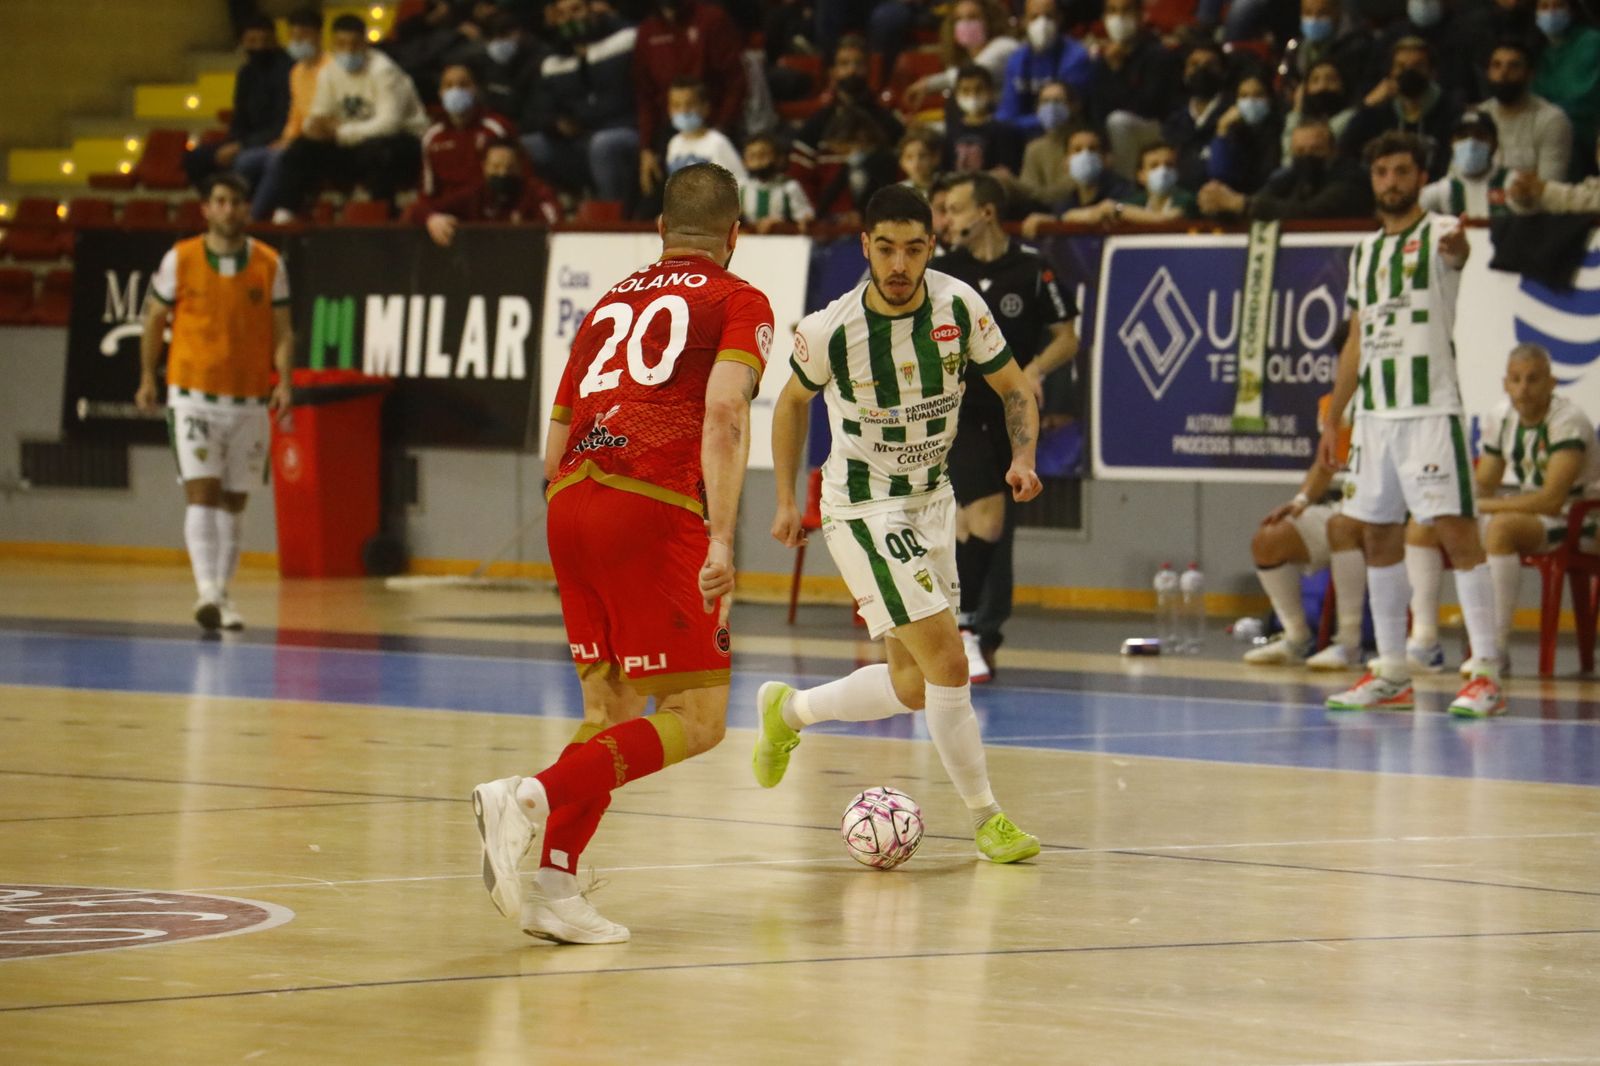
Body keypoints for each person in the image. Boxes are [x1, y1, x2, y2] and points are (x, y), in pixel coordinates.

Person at [471, 163, 774, 943]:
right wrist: (719, 539)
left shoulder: (607, 303)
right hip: (651, 505)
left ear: (660, 233)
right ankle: (528, 795)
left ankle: (553, 887)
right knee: (700, 719)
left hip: (569, 503)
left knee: (611, 712)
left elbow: (554, 446)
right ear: (735, 236)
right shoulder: (739, 300)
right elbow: (727, 413)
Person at [757, 184, 1043, 863]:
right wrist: (784, 498)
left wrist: (1024, 454)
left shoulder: (959, 308)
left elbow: (1013, 387)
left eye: (913, 249)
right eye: (885, 248)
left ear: (931, 247)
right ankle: (988, 820)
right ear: (865, 246)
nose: (898, 264)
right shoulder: (832, 328)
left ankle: (787, 712)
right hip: (861, 507)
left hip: (932, 501)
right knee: (949, 661)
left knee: (915, 686)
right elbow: (791, 404)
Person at [1319, 131, 1507, 718]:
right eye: (1382, 172)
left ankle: (1485, 673)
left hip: (1429, 411)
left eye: (1402, 171)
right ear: (1372, 180)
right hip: (1375, 417)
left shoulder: (1441, 234)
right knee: (1376, 534)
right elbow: (1356, 338)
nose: (1392, 182)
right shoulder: (1364, 253)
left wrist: (1459, 245)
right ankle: (1392, 671)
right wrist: (1336, 412)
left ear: (1420, 178)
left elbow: (1460, 252)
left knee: (1455, 530)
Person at [934, 172, 1078, 681]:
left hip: (1012, 411)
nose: (946, 220)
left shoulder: (1033, 269)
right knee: (985, 518)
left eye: (954, 209)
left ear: (987, 213)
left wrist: (1033, 371)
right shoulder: (943, 272)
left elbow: (1067, 337)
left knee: (984, 527)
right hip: (958, 412)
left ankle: (970, 629)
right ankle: (963, 631)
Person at [135, 174, 292, 632]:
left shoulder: (269, 263)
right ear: (206, 209)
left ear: (247, 208)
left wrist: (283, 380)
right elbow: (154, 318)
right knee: (201, 492)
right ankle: (206, 589)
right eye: (220, 201)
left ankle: (221, 595)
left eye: (237, 203)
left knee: (235, 501)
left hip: (248, 400)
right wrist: (148, 374)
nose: (229, 210)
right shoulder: (179, 259)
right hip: (192, 396)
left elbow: (283, 330)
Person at [1476, 343, 1600, 673]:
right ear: (1505, 383)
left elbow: (1551, 500)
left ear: (1552, 382)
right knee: (1429, 525)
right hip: (1532, 514)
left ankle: (1494, 651)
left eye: (1532, 380)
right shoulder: (1501, 415)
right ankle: (1423, 642)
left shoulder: (1568, 420)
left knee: (1500, 528)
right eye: (1515, 380)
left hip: (1580, 520)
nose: (1523, 389)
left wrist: (1486, 506)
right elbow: (1485, 481)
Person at [268, 13, 429, 220]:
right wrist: (313, 127)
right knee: (300, 149)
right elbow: (318, 114)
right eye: (342, 44)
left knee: (379, 150)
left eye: (354, 44)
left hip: (403, 143)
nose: (348, 50)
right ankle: (284, 216)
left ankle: (379, 216)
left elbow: (389, 124)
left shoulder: (384, 70)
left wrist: (340, 132)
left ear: (365, 43)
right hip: (355, 143)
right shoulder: (329, 72)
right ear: (333, 44)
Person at [1243, 445, 1369, 671]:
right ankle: (1297, 638)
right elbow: (1326, 461)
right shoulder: (1340, 413)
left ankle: (1350, 645)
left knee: (1341, 527)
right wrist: (1301, 500)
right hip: (1345, 506)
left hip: (1395, 513)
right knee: (1269, 539)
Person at [521, 0, 640, 214]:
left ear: (592, 8)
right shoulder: (553, 60)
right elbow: (537, 111)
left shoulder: (625, 39)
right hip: (578, 139)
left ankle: (612, 217)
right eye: (563, 14)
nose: (571, 19)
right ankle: (557, 208)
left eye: (576, 10)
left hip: (626, 131)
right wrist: (556, 124)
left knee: (603, 145)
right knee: (528, 147)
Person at [634, 0, 748, 203]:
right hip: (667, 131)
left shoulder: (712, 20)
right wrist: (646, 149)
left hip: (716, 124)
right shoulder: (647, 31)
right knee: (647, 196)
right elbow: (645, 97)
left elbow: (735, 83)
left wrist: (720, 128)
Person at [183, 15, 291, 194]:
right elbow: (240, 116)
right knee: (195, 158)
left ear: (274, 40)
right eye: (252, 41)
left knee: (243, 161)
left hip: (273, 141)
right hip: (245, 140)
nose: (259, 47)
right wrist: (234, 142)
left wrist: (241, 146)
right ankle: (215, 206)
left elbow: (281, 124)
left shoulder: (287, 71)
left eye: (264, 40)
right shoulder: (246, 73)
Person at [1199, 120, 1372, 220]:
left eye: (1316, 150)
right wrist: (1220, 204)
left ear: (1333, 151)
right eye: (1300, 151)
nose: (1307, 156)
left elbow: (1311, 213)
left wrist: (1241, 204)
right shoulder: (1290, 176)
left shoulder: (1351, 177)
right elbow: (1263, 198)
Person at [1339, 37, 1460, 179]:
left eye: (1418, 66)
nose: (1409, 72)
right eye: (1401, 67)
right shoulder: (1376, 111)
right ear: (1390, 72)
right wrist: (1366, 105)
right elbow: (1341, 143)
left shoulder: (1450, 110)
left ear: (1432, 72)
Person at [416, 139, 561, 246]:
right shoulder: (475, 193)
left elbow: (555, 222)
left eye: (509, 167)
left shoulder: (536, 191)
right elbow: (419, 209)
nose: (503, 173)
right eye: (496, 167)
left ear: (520, 167)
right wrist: (431, 217)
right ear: (485, 167)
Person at [417, 64, 517, 216]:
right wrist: (431, 216)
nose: (456, 91)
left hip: (490, 214)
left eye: (463, 85)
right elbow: (428, 192)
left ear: (475, 89)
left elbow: (520, 178)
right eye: (449, 86)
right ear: (440, 93)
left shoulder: (497, 129)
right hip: (448, 216)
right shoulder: (432, 137)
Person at [1478, 37, 1572, 181]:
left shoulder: (1551, 120)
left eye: (1513, 66)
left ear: (1530, 74)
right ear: (1488, 72)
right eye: (1496, 65)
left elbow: (1549, 187)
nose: (1503, 73)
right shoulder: (1478, 116)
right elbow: (1456, 179)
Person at [995, 0, 1093, 137]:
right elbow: (1006, 116)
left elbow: (1066, 114)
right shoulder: (1016, 60)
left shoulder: (1076, 57)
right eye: (1034, 17)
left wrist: (1020, 123)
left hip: (1066, 136)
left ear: (1059, 18)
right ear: (1024, 21)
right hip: (1023, 137)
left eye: (1049, 16)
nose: (1042, 24)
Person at [1420, 109, 1515, 218]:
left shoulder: (1511, 182)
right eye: (1463, 136)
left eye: (1480, 136)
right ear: (1452, 143)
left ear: (1494, 143)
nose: (1471, 143)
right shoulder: (1443, 190)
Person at [943, 64, 1027, 176]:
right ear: (957, 95)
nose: (972, 95)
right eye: (965, 90)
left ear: (990, 92)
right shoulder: (951, 132)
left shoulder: (1005, 132)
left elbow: (1008, 172)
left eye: (979, 89)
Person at [663, 77, 747, 181]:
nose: (684, 110)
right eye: (676, 105)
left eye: (690, 104)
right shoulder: (674, 143)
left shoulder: (717, 144)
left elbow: (739, 183)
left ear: (705, 107)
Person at [1016, 80, 1081, 206]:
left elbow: (1073, 189)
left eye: (1058, 101)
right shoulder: (1034, 148)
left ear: (1074, 105)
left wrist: (1016, 185)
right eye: (1045, 102)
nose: (1051, 108)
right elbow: (1026, 192)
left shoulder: (1084, 142)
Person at [739, 132, 814, 231]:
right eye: (752, 156)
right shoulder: (740, 187)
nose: (758, 161)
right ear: (744, 162)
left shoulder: (789, 187)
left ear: (778, 159)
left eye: (763, 155)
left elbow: (805, 219)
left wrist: (780, 223)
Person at [1110, 140, 1198, 221]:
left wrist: (1119, 211)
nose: (1163, 171)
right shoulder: (1136, 201)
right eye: (1154, 166)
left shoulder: (1187, 200)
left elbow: (1175, 215)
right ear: (1141, 175)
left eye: (1169, 165)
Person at [897, 125, 943, 200]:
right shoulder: (899, 192)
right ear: (901, 161)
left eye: (923, 156)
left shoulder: (948, 186)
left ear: (935, 158)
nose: (916, 163)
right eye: (909, 157)